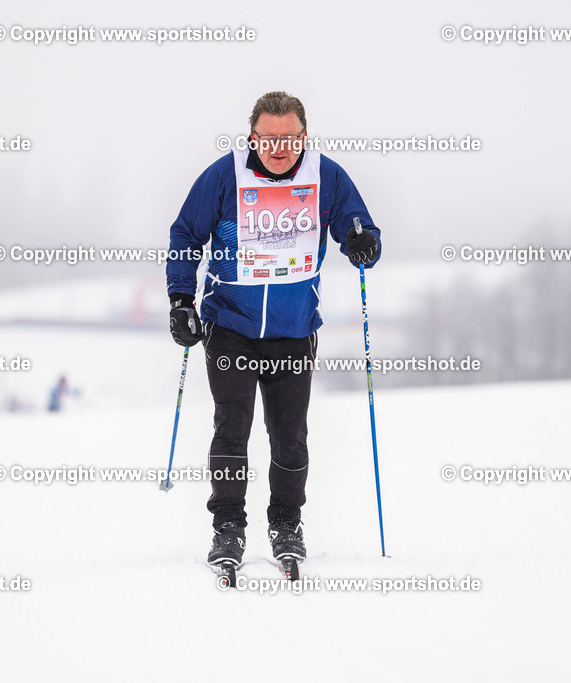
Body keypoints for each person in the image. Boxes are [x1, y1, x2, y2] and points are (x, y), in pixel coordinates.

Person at [165, 91, 382, 569]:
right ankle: (228, 527)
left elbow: (359, 227)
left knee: (289, 436)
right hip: (231, 325)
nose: (279, 148)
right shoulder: (224, 175)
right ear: (252, 138)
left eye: (289, 138)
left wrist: (363, 242)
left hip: (293, 329)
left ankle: (286, 522)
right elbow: (186, 234)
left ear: (304, 137)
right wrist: (180, 299)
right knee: (232, 427)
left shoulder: (325, 176)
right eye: (268, 138)